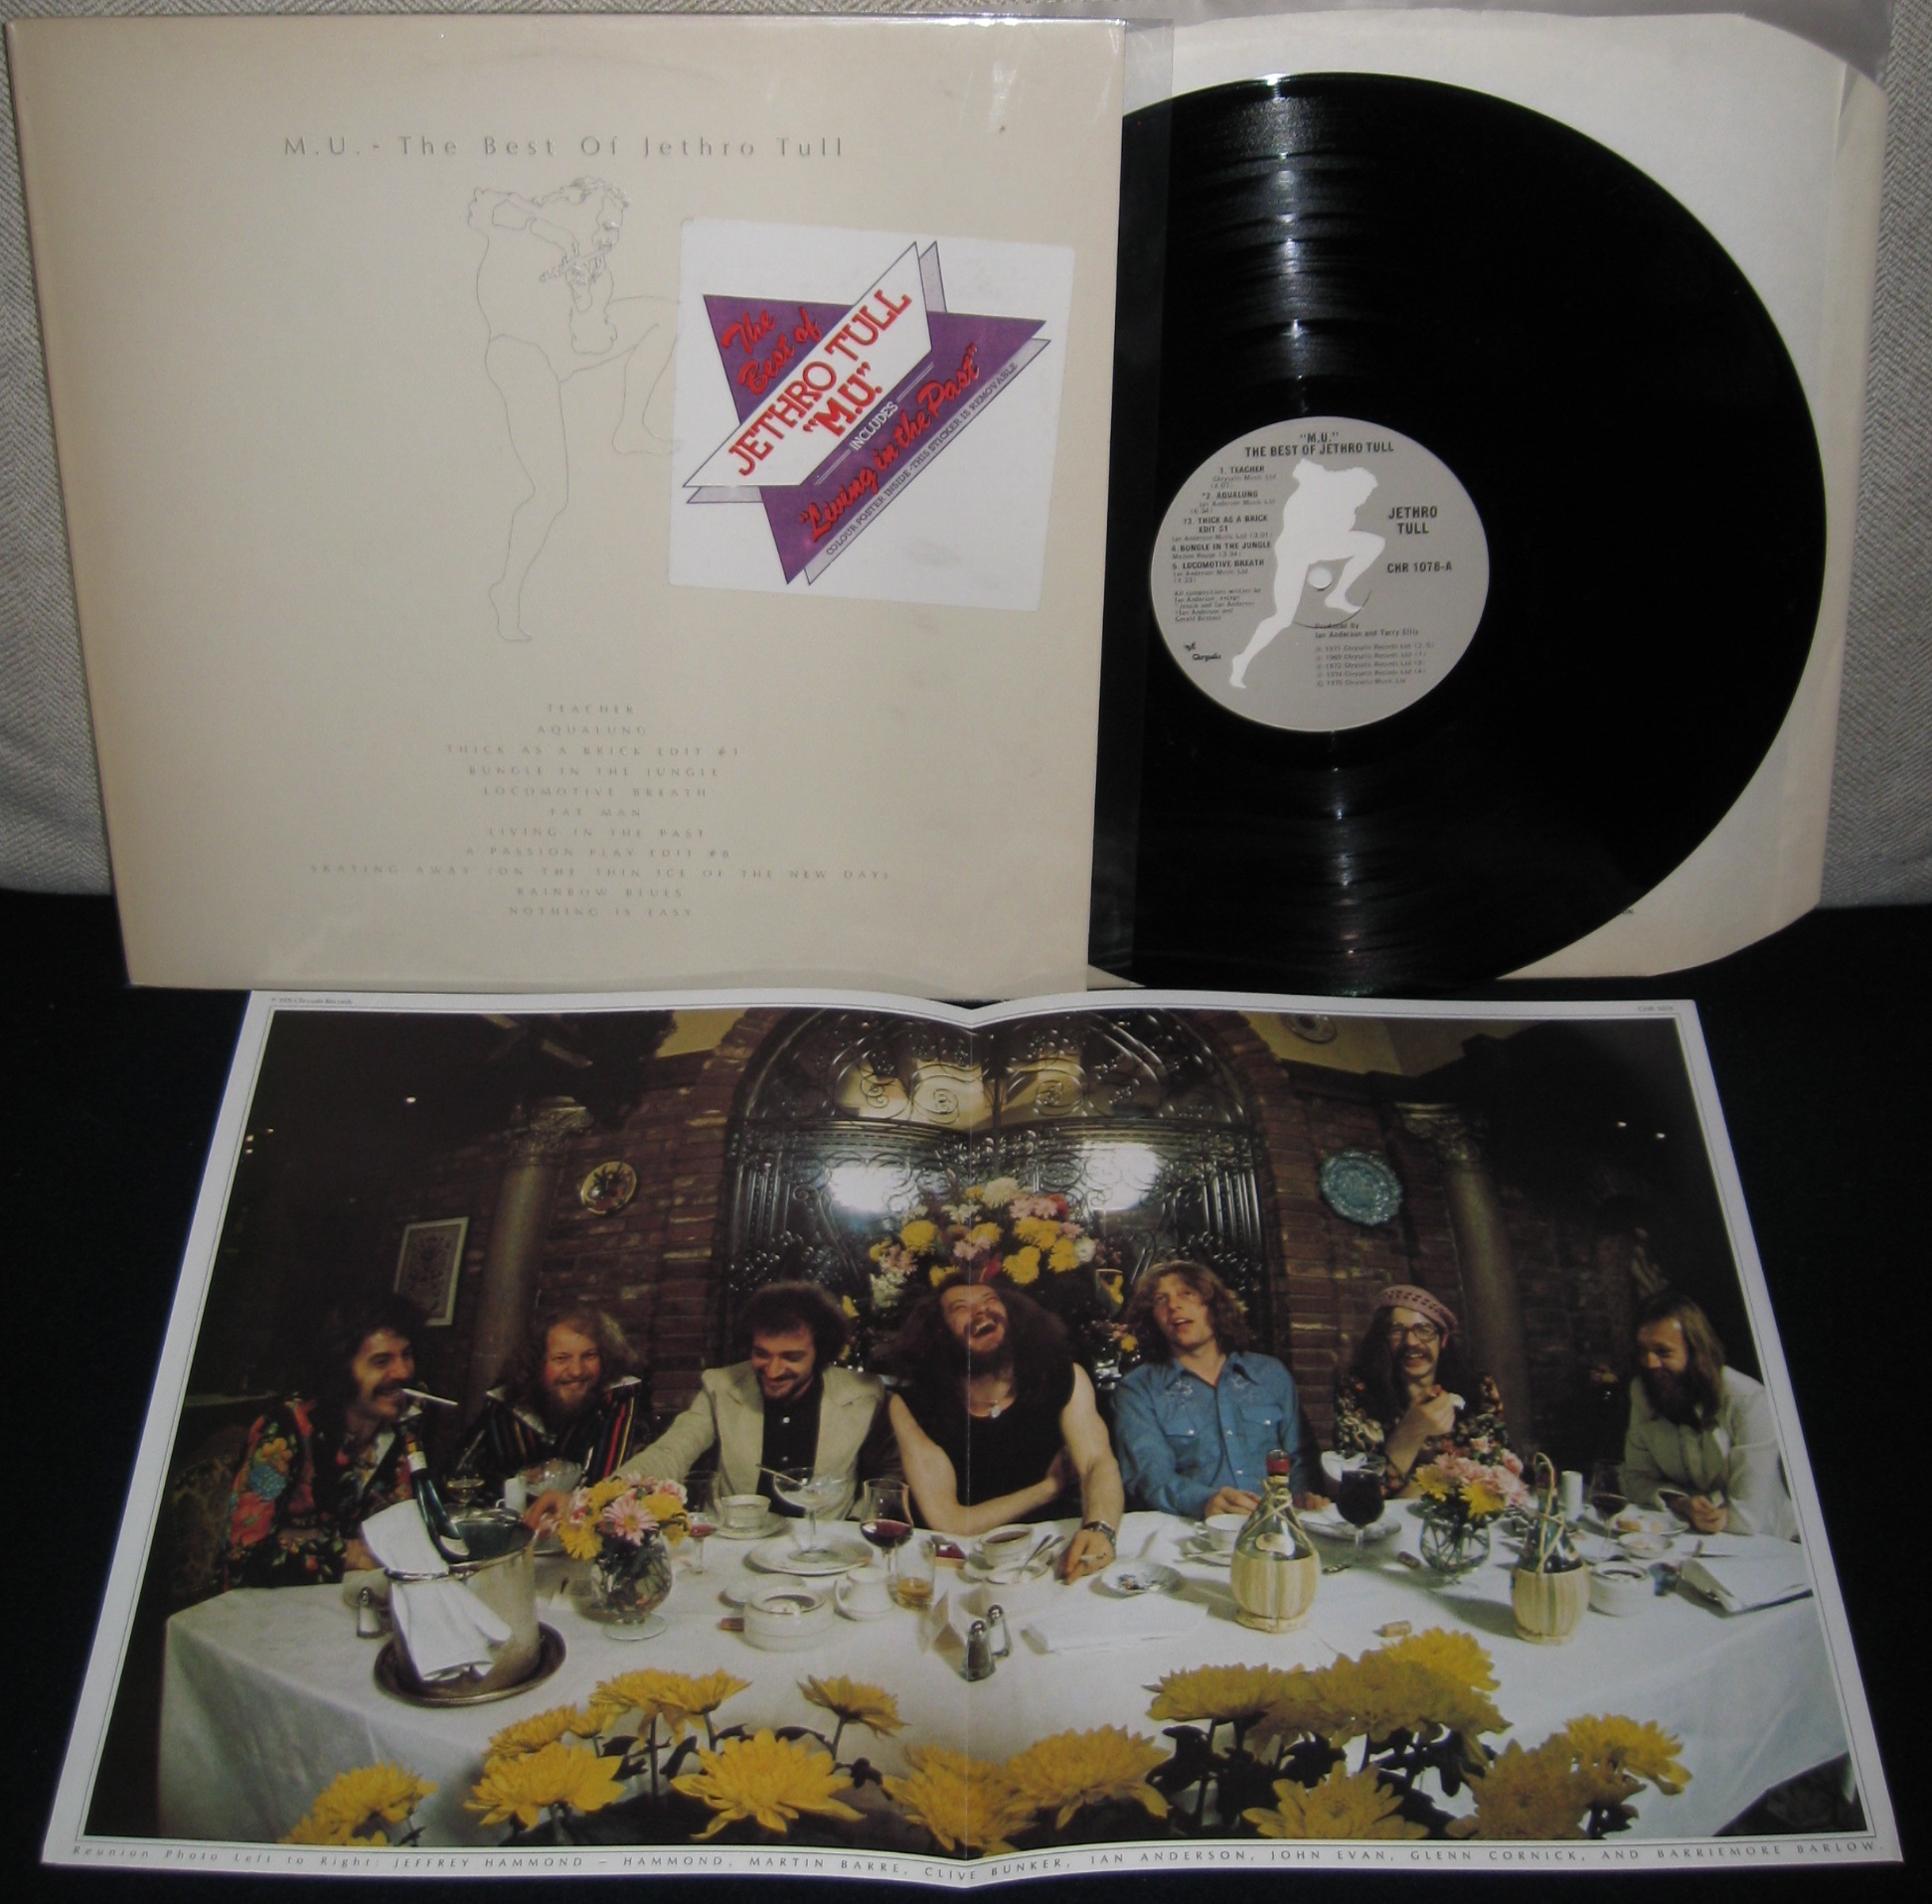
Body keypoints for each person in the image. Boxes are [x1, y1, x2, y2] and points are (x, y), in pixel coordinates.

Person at [886, 1274, 1125, 1582]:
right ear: (938, 1332)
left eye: (990, 1301)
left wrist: (1100, 1528)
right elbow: (949, 1520)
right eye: (961, 1307)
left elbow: (1097, 1463)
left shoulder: (1062, 1377)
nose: (981, 1311)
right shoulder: (914, 1404)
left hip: (1050, 1551)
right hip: (960, 1564)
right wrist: (1048, 1489)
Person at [611, 1281, 890, 1509]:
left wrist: (855, 1525)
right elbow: (673, 1450)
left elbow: (886, 1478)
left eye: (791, 1357)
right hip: (736, 1542)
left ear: (821, 1354)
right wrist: (610, 1492)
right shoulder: (721, 1386)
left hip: (823, 1548)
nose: (773, 1370)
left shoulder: (863, 1394)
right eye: (761, 1354)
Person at [220, 1299, 426, 1589]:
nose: (403, 1372)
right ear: (342, 1369)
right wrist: (350, 1553)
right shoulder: (286, 1429)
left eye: (406, 1355)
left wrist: (305, 1539)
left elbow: (401, 1531)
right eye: (382, 1361)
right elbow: (242, 1557)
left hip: (351, 1597)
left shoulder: (402, 1429)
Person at [1112, 1260, 1312, 1517]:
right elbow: (1150, 1476)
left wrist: (1306, 1499)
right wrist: (1204, 1502)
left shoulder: (1270, 1374)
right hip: (1197, 1529)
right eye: (1161, 1299)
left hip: (1280, 1524)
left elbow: (1301, 1459)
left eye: (1187, 1293)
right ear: (1152, 1317)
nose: (1173, 1306)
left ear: (1214, 1305)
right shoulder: (1137, 1390)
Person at [1623, 1290, 1794, 1537]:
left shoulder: (1749, 1400)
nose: (1649, 1363)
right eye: (1643, 1350)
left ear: (1695, 1352)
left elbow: (1747, 1515)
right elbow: (1636, 1478)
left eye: (1663, 1352)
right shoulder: (1643, 1391)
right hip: (1696, 1538)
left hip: (1771, 1539)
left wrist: (1718, 1517)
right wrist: (1682, 1504)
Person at [449, 1305, 649, 1497]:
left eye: (589, 1356)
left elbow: (606, 1488)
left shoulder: (619, 1396)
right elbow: (457, 1474)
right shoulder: (506, 1403)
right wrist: (519, 1481)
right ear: (536, 1363)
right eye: (561, 1359)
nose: (576, 1371)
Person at [1333, 1284, 1511, 1497]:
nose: (1411, 1342)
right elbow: (1359, 1493)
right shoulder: (1357, 1391)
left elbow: (1498, 1474)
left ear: (1443, 1339)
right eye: (1397, 1331)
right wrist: (1412, 1430)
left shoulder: (1478, 1387)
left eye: (1424, 1330)